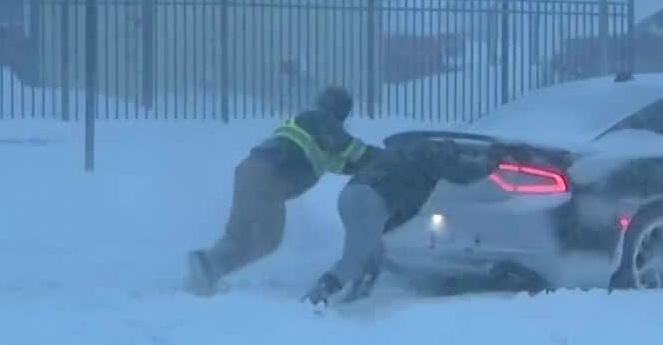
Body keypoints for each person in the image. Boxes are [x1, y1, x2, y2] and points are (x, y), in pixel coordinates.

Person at [187, 85, 369, 295]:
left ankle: (205, 268)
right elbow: (353, 149)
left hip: (249, 172)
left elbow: (346, 162)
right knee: (267, 240)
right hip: (268, 180)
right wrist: (374, 155)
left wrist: (377, 164)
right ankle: (208, 266)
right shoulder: (318, 120)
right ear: (338, 112)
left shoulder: (319, 136)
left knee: (240, 235)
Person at [304, 137, 503, 305]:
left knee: (373, 252)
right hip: (371, 201)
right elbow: (462, 174)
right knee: (355, 259)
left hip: (350, 195)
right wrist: (491, 161)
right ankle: (314, 299)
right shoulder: (433, 155)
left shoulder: (402, 152)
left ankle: (357, 296)